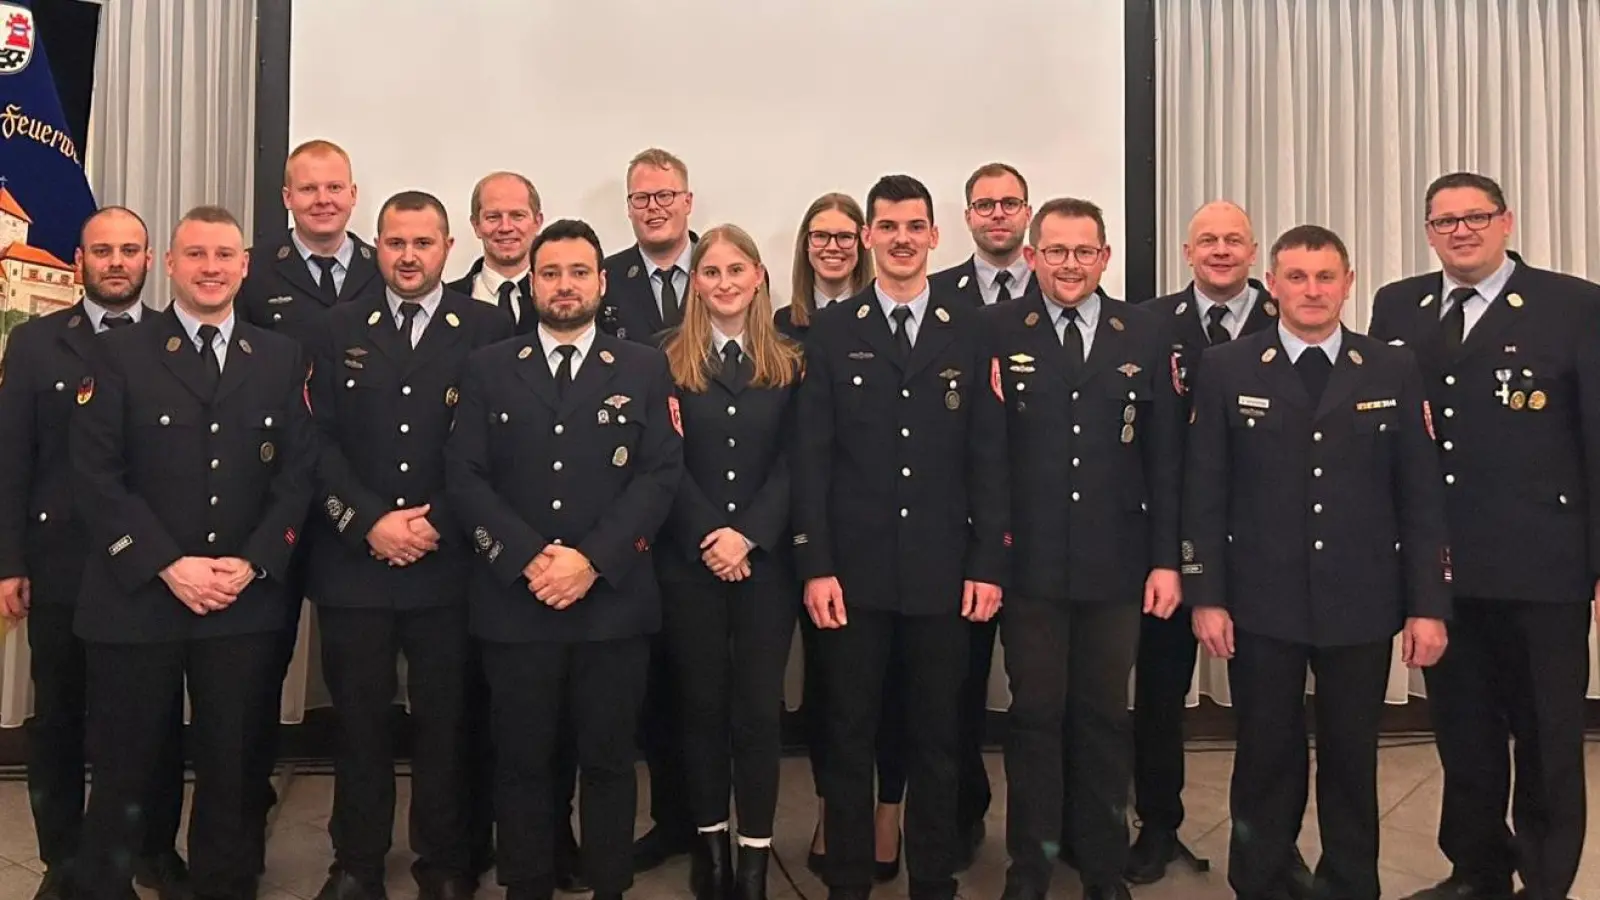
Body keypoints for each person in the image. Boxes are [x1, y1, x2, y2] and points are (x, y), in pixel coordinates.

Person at [1184, 224, 1451, 900]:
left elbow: (1419, 497)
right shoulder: (1229, 368)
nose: (1311, 290)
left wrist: (1427, 605)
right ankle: (1262, 878)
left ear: (1348, 282)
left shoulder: (1391, 368)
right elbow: (1205, 490)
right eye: (1296, 277)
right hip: (1260, 602)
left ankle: (1350, 882)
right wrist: (1207, 595)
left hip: (1360, 604)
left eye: (1325, 276)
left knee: (1350, 759)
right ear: (1270, 284)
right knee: (1265, 758)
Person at [69, 205, 316, 900]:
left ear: (244, 266)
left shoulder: (277, 356)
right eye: (196, 255)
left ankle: (225, 884)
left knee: (233, 766)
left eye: (224, 256)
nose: (211, 268)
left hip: (240, 599)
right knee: (124, 764)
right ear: (169, 265)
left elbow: (299, 473)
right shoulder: (116, 352)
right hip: (139, 597)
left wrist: (253, 562)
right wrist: (167, 564)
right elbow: (96, 476)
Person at [1368, 173, 1600, 900]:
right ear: (1429, 231)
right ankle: (1477, 873)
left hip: (1544, 566)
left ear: (1507, 222)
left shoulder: (1574, 304)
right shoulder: (1399, 305)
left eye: (1475, 218)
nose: (1460, 232)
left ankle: (1547, 880)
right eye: (1444, 222)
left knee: (1547, 738)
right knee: (1463, 738)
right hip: (1443, 568)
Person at [445, 218, 684, 900]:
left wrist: (591, 561)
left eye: (579, 272)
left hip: (611, 604)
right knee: (521, 763)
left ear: (601, 283)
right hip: (515, 604)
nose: (564, 285)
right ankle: (527, 885)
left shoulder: (642, 365)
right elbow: (464, 474)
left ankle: (608, 885)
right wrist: (525, 560)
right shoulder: (490, 366)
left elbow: (659, 475)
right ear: (533, 282)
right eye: (550, 273)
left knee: (609, 763)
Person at [792, 174, 1008, 900]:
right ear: (868, 239)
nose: (903, 238)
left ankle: (933, 881)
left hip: (945, 575)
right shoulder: (832, 329)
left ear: (934, 236)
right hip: (853, 576)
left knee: (939, 741)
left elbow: (989, 456)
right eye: (888, 226)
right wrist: (816, 566)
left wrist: (987, 563)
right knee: (849, 736)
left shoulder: (971, 329)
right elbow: (812, 460)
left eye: (915, 226)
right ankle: (849, 882)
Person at [304, 191, 513, 900]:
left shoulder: (485, 327)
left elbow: (493, 447)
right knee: (358, 722)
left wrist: (439, 522)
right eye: (395, 243)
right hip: (355, 564)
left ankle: (446, 861)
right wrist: (366, 522)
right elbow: (318, 441)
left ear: (448, 247)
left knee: (445, 724)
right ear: (377, 249)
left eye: (423, 243)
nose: (409, 256)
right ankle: (357, 861)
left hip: (448, 563)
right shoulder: (336, 328)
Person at [983, 198, 1184, 900]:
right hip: (1030, 567)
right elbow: (986, 458)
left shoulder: (1146, 332)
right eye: (1056, 252)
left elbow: (1165, 461)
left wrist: (1166, 559)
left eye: (1084, 252)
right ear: (1033, 256)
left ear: (1105, 258)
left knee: (1104, 720)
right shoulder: (997, 329)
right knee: (1034, 719)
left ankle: (1103, 868)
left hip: (1116, 567)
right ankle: (1029, 871)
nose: (1070, 265)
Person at [0, 207, 189, 900]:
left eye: (129, 250)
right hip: (61, 563)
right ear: (79, 261)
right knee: (60, 715)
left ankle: (154, 851)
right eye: (102, 250)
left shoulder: (177, 342)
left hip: (149, 565)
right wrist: (7, 561)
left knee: (156, 717)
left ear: (150, 261)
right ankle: (65, 859)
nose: (116, 262)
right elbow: (12, 458)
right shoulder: (37, 343)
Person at [235, 138, 387, 841]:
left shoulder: (387, 266)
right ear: (287, 199)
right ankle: (241, 816)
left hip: (365, 498)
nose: (323, 199)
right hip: (276, 497)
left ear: (354, 195)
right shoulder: (254, 269)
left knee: (364, 679)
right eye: (308, 188)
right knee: (257, 667)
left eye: (335, 187)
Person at [1126, 199, 1277, 884]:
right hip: (1168, 537)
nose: (1221, 250)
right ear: (1187, 252)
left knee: (1267, 704)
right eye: (1207, 240)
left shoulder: (1293, 316)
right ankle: (1157, 825)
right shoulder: (1148, 324)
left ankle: (1269, 841)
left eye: (1234, 240)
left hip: (1265, 545)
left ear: (1254, 252)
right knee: (1159, 696)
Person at [655, 225, 803, 900]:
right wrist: (711, 533)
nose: (723, 283)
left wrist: (749, 535)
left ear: (759, 276)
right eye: (709, 272)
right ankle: (710, 845)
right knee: (702, 707)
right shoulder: (664, 360)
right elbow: (664, 463)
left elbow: (796, 462)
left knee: (757, 713)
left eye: (735, 270)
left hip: (766, 567)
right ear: (696, 283)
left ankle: (754, 855)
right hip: (691, 563)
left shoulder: (792, 361)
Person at [775, 193, 904, 881]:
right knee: (833, 692)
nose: (830, 247)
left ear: (862, 241)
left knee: (892, 694)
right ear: (804, 245)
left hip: (887, 543)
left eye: (841, 236)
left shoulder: (896, 320)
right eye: (816, 236)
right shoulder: (782, 325)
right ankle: (835, 810)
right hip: (811, 535)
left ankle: (889, 813)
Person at [599, 148, 700, 870]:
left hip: (713, 509)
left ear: (690, 200)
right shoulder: (606, 280)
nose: (654, 207)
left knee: (706, 687)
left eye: (666, 195)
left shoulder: (727, 267)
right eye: (642, 198)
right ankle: (667, 820)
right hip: (631, 510)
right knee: (650, 688)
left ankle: (709, 827)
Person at [930, 162, 1038, 309]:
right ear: (968, 218)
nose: (998, 214)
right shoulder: (934, 292)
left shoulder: (1056, 286)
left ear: (1028, 215)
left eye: (1010, 204)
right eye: (985, 205)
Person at [446, 171, 543, 334]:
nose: (505, 227)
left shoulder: (559, 299)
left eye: (517, 216)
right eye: (493, 217)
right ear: (476, 225)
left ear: (537, 222)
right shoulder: (445, 301)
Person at [776, 193, 875, 341]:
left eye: (845, 236)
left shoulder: (880, 320)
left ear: (861, 244)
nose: (833, 247)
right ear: (806, 244)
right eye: (821, 236)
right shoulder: (784, 323)